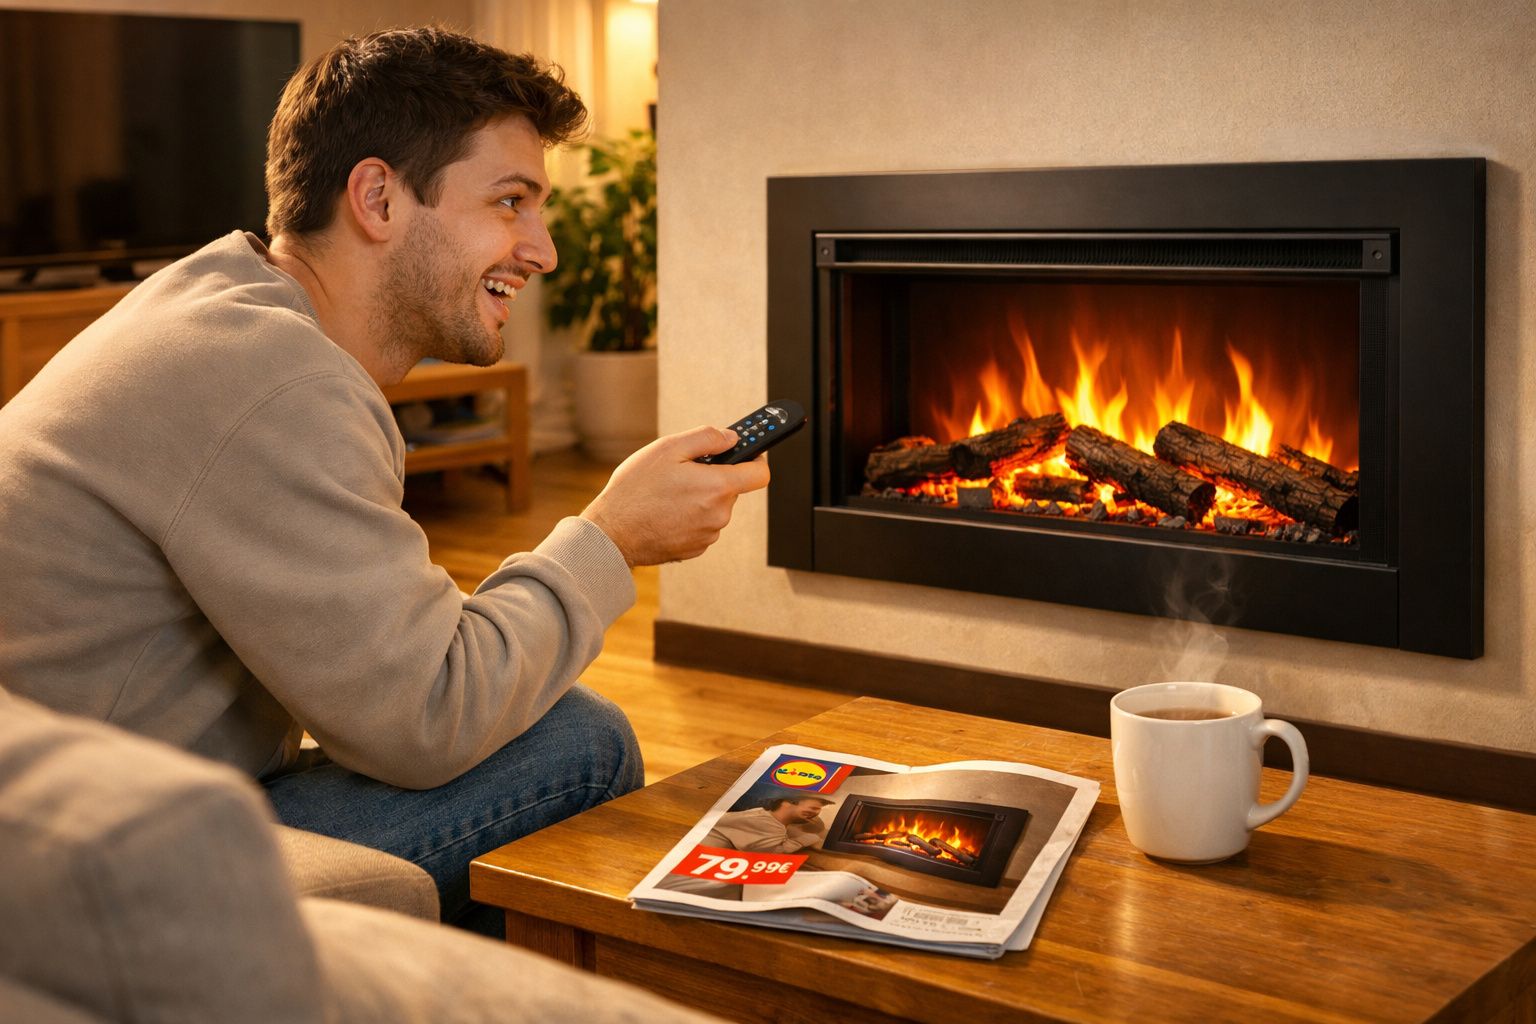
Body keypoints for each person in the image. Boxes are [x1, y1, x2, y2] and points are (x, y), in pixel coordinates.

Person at [0, 27, 768, 936]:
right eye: (510, 202)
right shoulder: (277, 383)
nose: (544, 250)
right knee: (580, 745)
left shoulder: (219, 301)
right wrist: (611, 539)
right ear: (377, 198)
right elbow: (429, 719)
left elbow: (387, 669)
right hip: (61, 855)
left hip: (68, 790)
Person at [704, 794, 836, 853]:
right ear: (786, 803)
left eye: (818, 810)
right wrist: (810, 838)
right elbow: (774, 853)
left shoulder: (762, 816)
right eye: (813, 808)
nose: (816, 813)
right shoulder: (768, 824)